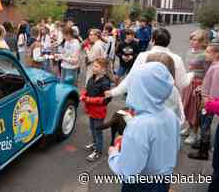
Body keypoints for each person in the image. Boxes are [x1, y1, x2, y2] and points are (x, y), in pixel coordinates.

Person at [108, 62, 180, 192]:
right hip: (164, 179)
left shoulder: (138, 125)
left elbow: (128, 171)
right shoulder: (170, 114)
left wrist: (113, 154)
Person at [105, 28, 190, 98]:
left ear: (152, 40)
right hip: (168, 99)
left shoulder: (143, 56)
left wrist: (114, 92)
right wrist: (191, 75)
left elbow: (131, 77)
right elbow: (183, 83)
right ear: (169, 41)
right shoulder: (177, 59)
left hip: (147, 97)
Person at [188, 40, 219, 160]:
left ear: (216, 54)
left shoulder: (216, 68)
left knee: (205, 125)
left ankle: (203, 151)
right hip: (206, 99)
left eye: (208, 52)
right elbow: (209, 83)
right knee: (203, 123)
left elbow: (215, 90)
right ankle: (202, 144)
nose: (205, 54)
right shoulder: (214, 65)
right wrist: (202, 88)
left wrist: (206, 100)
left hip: (208, 103)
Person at [80, 58, 112, 162]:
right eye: (93, 66)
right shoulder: (92, 78)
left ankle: (98, 151)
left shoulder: (105, 83)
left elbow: (107, 99)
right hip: (91, 110)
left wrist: (88, 99)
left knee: (98, 131)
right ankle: (94, 144)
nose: (93, 68)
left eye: (96, 66)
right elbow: (87, 89)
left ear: (103, 69)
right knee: (92, 128)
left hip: (99, 112)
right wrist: (83, 95)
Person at [182, 30, 209, 145]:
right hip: (188, 83)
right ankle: (188, 127)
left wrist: (203, 86)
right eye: (191, 39)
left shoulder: (205, 55)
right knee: (187, 107)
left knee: (195, 110)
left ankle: (194, 133)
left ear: (202, 42)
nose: (192, 42)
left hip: (198, 85)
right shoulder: (189, 52)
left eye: (195, 39)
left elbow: (208, 73)